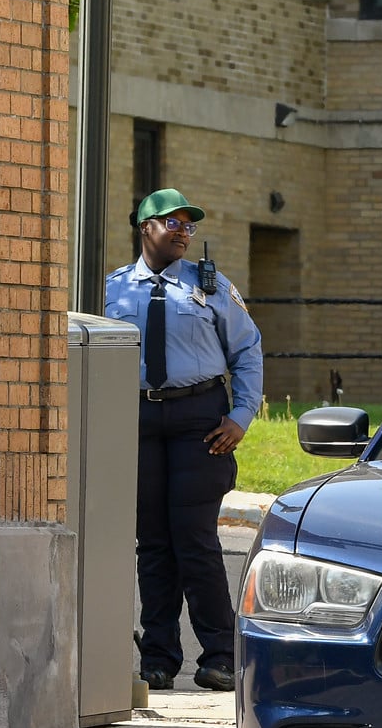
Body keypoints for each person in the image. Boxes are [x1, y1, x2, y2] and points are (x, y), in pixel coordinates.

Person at [105, 189, 264, 692]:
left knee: (192, 537)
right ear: (143, 228)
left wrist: (239, 416)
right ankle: (158, 659)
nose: (181, 231)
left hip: (200, 418)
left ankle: (220, 655)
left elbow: (248, 350)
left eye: (188, 225)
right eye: (170, 222)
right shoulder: (110, 290)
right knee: (152, 541)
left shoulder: (210, 286)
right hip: (139, 418)